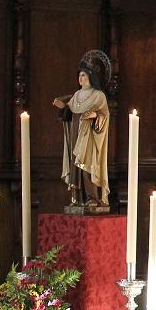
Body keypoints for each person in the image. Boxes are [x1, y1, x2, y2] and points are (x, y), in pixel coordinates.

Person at [52, 51, 111, 210]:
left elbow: (104, 115)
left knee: (87, 166)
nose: (81, 78)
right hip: (76, 134)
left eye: (84, 75)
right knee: (76, 166)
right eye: (79, 75)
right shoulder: (77, 95)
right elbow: (70, 111)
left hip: (90, 137)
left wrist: (94, 115)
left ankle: (93, 197)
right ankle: (77, 198)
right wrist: (63, 107)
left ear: (91, 77)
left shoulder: (99, 96)